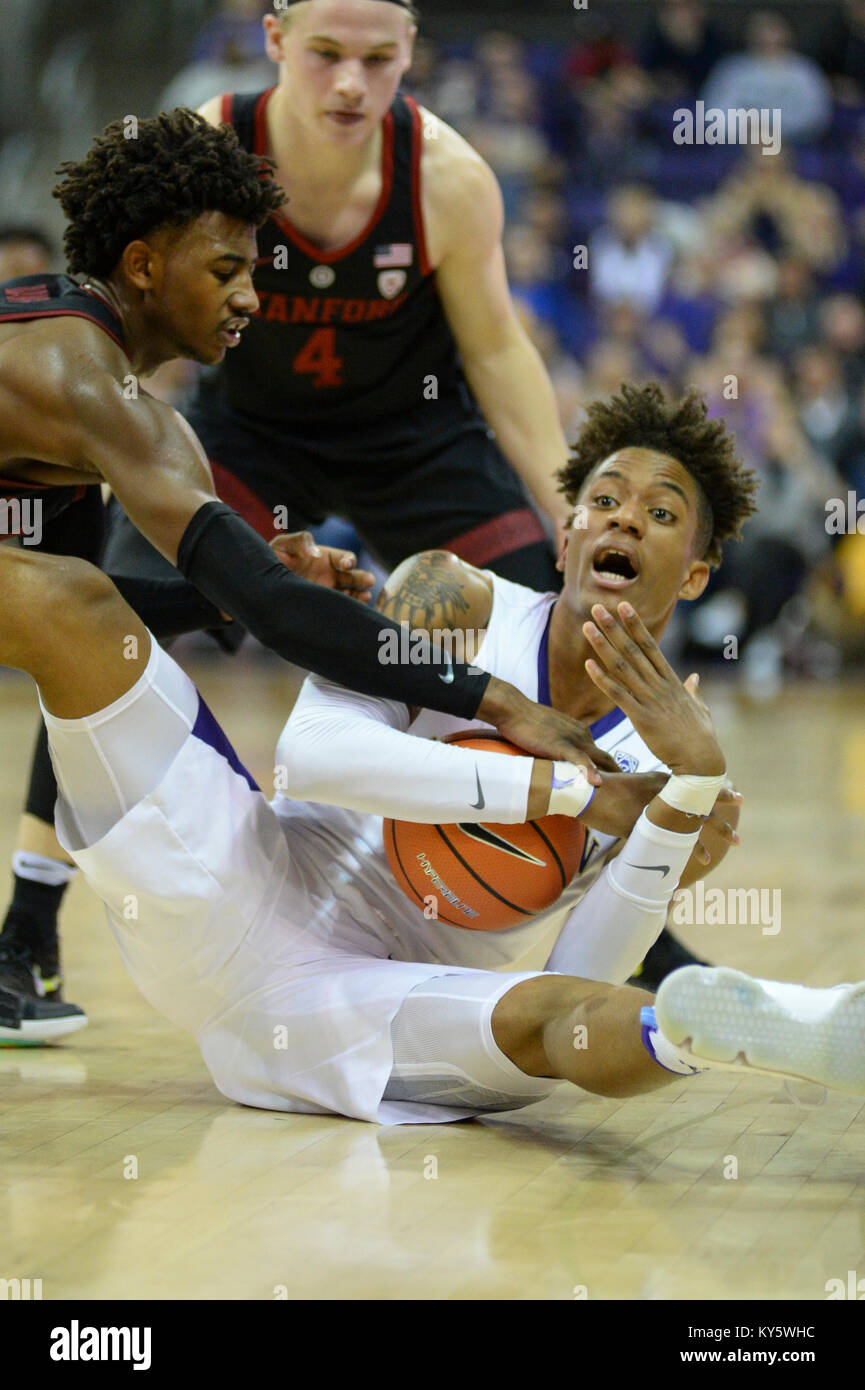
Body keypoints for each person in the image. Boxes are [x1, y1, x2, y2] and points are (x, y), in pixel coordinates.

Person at [6, 381, 863, 1116]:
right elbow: (311, 756)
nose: (626, 520)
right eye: (603, 501)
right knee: (74, 608)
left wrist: (678, 814)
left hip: (374, 1002)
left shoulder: (666, 756)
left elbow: (586, 969)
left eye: (661, 512)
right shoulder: (454, 600)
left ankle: (793, 1028)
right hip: (236, 881)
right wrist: (565, 794)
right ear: (565, 541)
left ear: (696, 574)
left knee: (555, 1023)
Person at [0, 108, 610, 1043]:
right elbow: (277, 615)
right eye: (226, 271)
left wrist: (231, 588)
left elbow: (106, 608)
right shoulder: (91, 388)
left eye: (254, 270)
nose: (253, 298)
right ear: (142, 265)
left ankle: (19, 942)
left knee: (82, 611)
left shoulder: (84, 365)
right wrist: (494, 701)